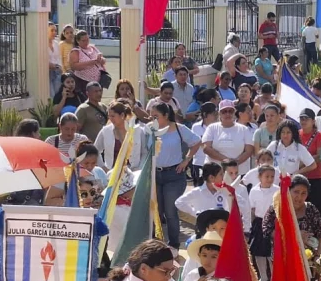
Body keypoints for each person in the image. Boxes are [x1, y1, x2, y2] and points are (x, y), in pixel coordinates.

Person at [150, 102, 201, 247]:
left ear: (166, 115)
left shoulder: (179, 128)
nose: (152, 119)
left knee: (171, 211)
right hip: (155, 175)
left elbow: (196, 142)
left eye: (156, 116)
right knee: (156, 212)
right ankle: (156, 244)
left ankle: (174, 244)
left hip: (174, 175)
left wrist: (186, 160)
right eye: (151, 116)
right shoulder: (150, 129)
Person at [202, 100, 254, 175]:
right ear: (219, 113)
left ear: (234, 113)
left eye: (230, 111)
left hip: (239, 172)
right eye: (224, 111)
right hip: (215, 173)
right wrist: (226, 161)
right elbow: (206, 148)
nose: (227, 114)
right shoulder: (211, 128)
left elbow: (249, 151)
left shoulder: (244, 129)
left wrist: (234, 163)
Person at [94, 101, 144, 170]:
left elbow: (144, 153)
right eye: (109, 116)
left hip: (133, 173)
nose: (110, 119)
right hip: (111, 173)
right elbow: (95, 150)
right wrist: (102, 167)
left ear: (122, 115)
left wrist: (139, 169)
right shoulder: (105, 131)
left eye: (113, 116)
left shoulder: (138, 130)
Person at [47, 21, 63, 97]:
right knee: (51, 95)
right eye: (52, 30)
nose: (54, 33)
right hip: (48, 73)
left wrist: (59, 67)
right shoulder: (42, 44)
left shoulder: (56, 44)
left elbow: (58, 58)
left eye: (55, 30)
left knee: (57, 95)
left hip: (57, 72)